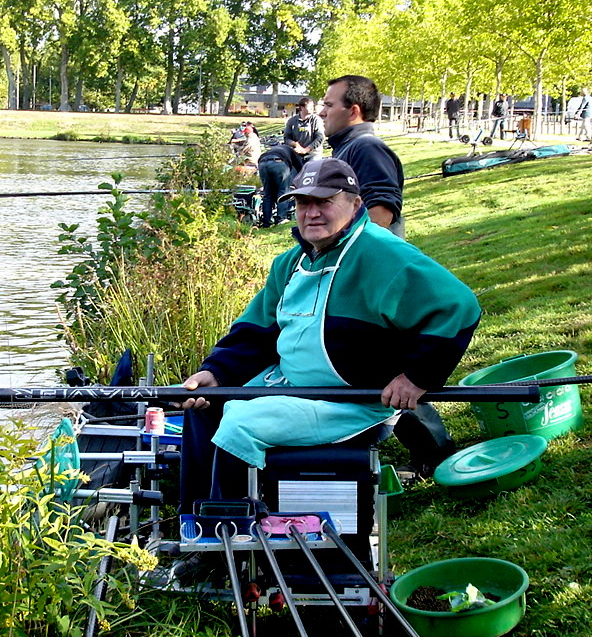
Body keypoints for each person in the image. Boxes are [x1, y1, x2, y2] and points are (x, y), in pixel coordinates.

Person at [176, 158, 481, 511]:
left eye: (324, 202)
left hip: (351, 402)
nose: (312, 213)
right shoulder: (290, 263)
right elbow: (256, 333)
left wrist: (417, 376)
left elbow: (457, 306)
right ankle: (197, 520)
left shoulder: (383, 255)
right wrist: (216, 372)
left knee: (241, 423)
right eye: (303, 203)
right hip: (290, 386)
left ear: (355, 204)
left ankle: (230, 529)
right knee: (205, 406)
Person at [318, 74, 406, 238]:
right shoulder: (350, 147)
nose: (322, 113)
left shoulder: (367, 147)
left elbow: (382, 212)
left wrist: (347, 253)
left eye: (328, 105)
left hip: (367, 261)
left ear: (353, 111)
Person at [256, 139, 303, 227]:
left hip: (262, 163)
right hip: (279, 162)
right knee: (283, 191)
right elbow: (300, 168)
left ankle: (266, 221)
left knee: (267, 193)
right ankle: (281, 218)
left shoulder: (276, 149)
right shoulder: (291, 151)